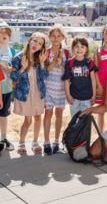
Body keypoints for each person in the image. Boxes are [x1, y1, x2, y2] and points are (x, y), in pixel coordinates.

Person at [11, 32, 49, 155]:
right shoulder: (18, 57)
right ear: (29, 40)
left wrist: (43, 63)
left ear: (42, 47)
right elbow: (14, 77)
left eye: (40, 43)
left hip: (38, 93)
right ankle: (21, 142)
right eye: (35, 41)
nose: (36, 44)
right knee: (28, 121)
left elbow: (44, 77)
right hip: (25, 93)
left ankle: (35, 142)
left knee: (38, 117)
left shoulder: (40, 59)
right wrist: (23, 68)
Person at [43, 25, 69, 155]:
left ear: (63, 37)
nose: (56, 38)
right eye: (53, 36)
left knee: (59, 114)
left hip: (61, 89)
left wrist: (60, 64)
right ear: (49, 37)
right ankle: (46, 141)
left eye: (59, 36)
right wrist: (53, 62)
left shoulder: (67, 53)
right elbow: (44, 71)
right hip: (48, 87)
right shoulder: (46, 52)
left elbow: (67, 73)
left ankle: (56, 141)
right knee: (48, 114)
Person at [0, 22, 16, 151]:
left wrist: (11, 69)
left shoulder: (12, 50)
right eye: (1, 32)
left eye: (7, 33)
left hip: (6, 87)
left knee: (3, 114)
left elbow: (15, 67)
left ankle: (3, 137)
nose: (4, 35)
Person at [63, 36, 97, 117]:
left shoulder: (90, 62)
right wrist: (68, 95)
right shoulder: (69, 62)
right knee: (74, 121)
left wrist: (94, 95)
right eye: (76, 47)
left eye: (82, 47)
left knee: (86, 121)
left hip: (87, 97)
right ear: (73, 48)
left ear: (86, 49)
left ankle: (86, 130)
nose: (79, 49)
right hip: (74, 97)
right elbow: (66, 80)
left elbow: (93, 79)